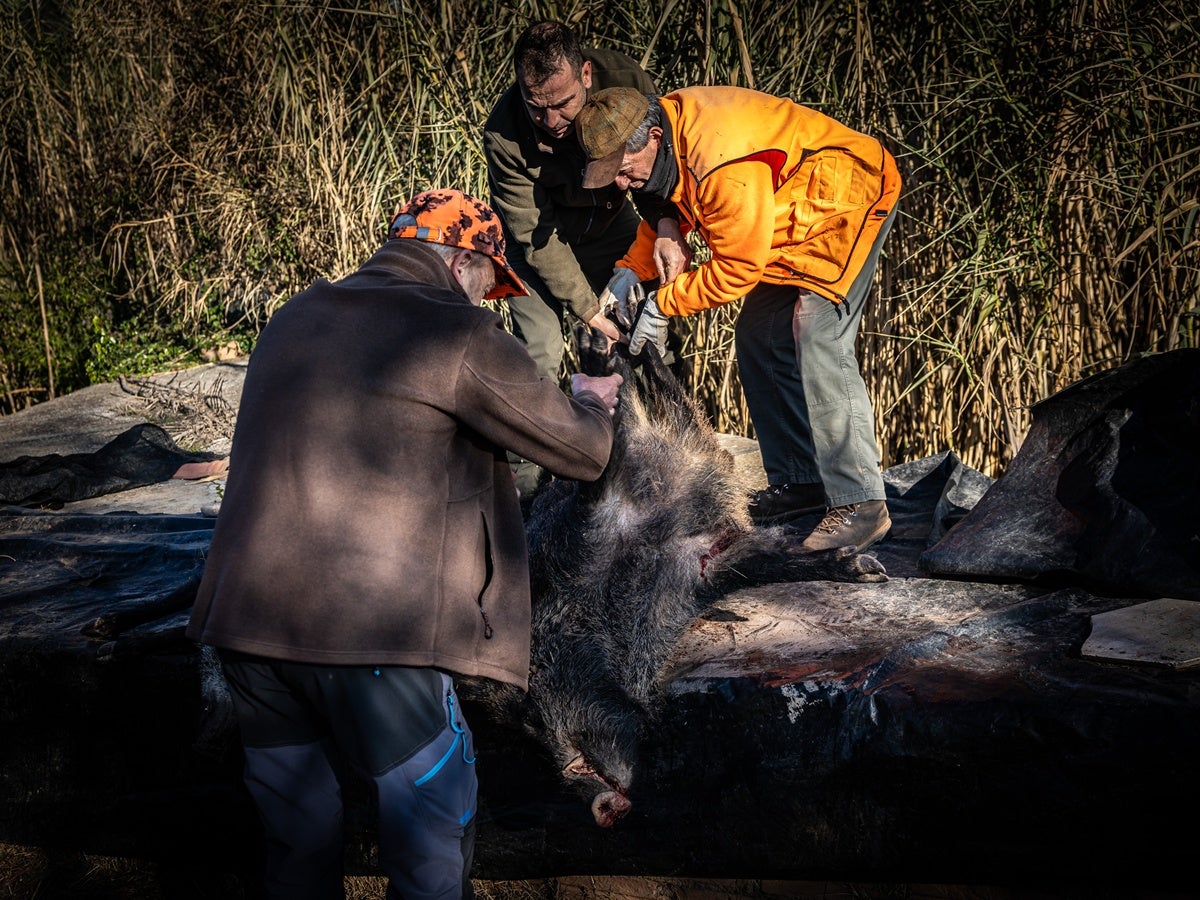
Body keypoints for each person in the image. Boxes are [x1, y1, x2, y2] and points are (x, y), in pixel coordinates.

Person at [185, 188, 621, 900]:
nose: (488, 300)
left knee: (299, 843)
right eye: (489, 283)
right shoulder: (457, 333)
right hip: (374, 640)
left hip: (247, 628)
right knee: (430, 837)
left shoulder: (297, 315)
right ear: (462, 261)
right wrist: (595, 396)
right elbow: (583, 453)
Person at [575, 86, 902, 552]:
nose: (622, 186)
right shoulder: (670, 132)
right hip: (790, 220)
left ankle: (860, 504)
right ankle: (802, 482)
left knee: (817, 333)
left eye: (625, 172)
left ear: (651, 138)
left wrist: (664, 306)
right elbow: (677, 209)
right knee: (758, 336)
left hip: (845, 203)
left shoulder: (720, 160)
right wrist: (633, 269)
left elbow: (738, 270)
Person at [482, 21, 688, 495]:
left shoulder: (629, 82)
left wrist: (666, 223)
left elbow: (659, 162)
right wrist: (589, 309)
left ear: (587, 75)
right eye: (537, 108)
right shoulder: (504, 133)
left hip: (612, 224)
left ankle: (679, 459)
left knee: (651, 333)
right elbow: (534, 234)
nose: (552, 120)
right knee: (537, 354)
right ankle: (525, 495)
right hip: (538, 242)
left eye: (562, 104)